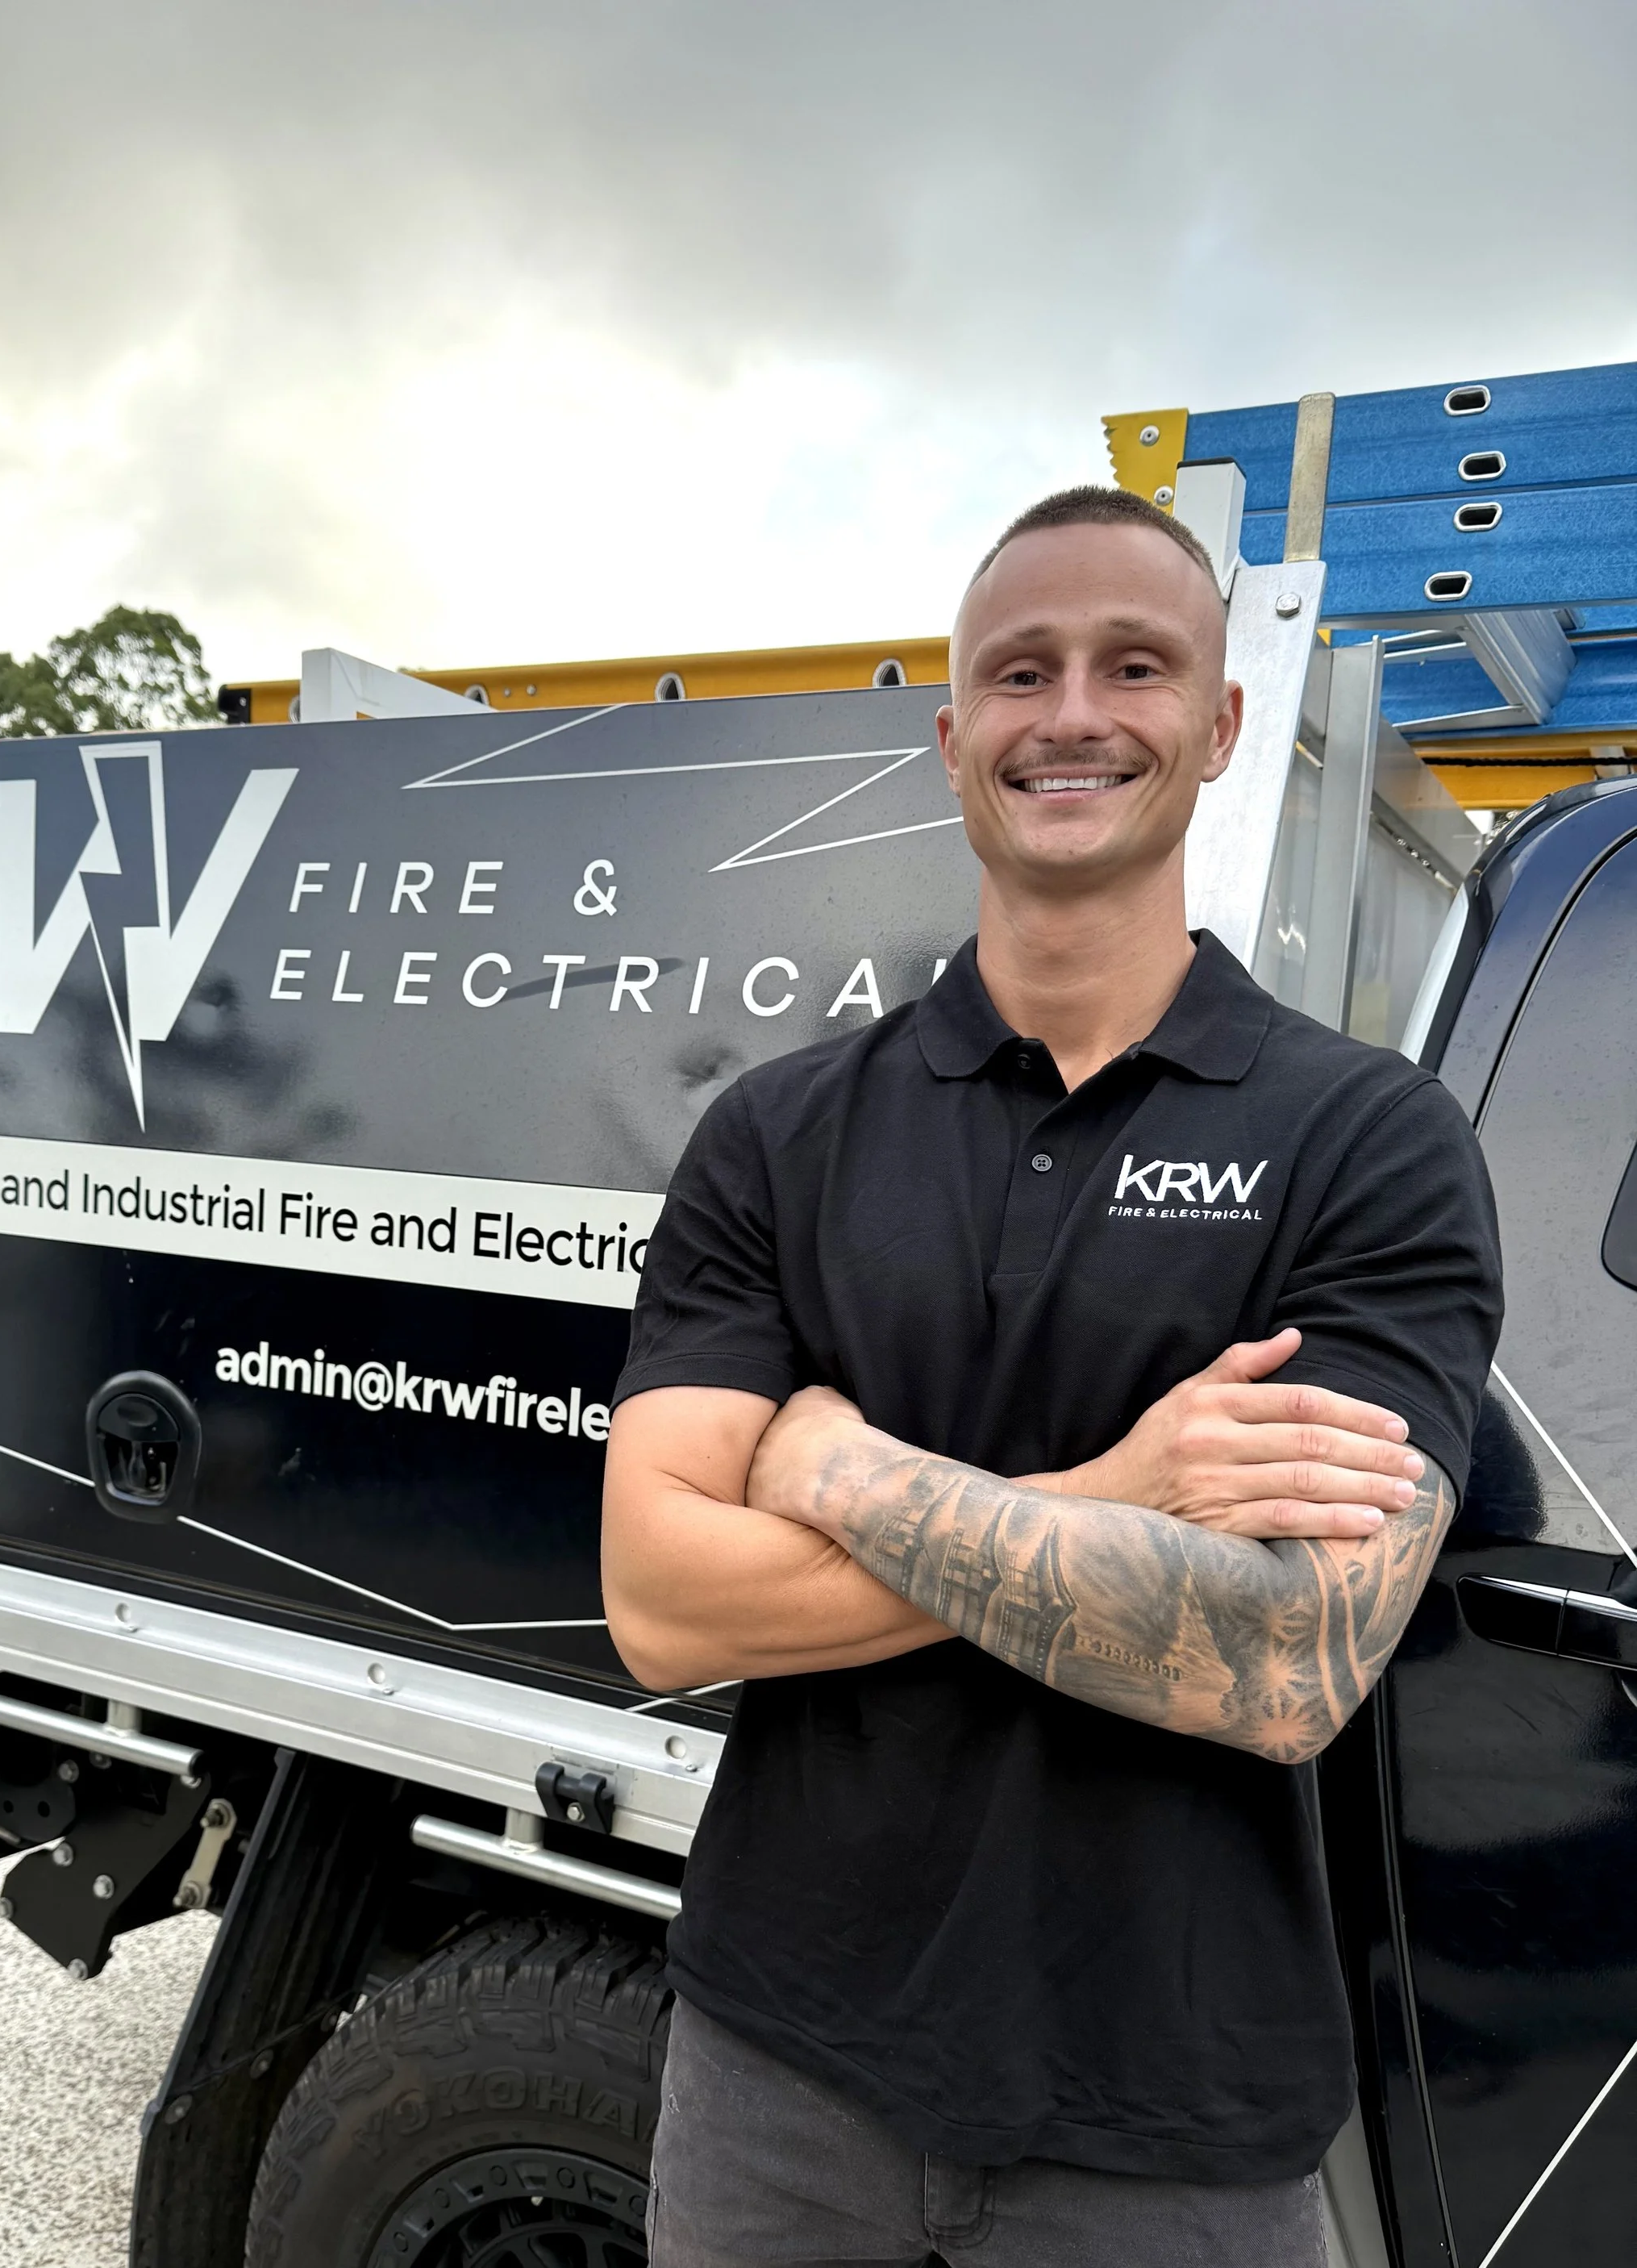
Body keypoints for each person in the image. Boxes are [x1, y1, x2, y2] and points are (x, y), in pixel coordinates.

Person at [602, 486, 1504, 2268]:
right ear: (953, 737)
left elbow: (1277, 1657)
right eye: (1020, 671)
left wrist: (835, 1462)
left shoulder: (1365, 1141)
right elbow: (657, 1601)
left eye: (1133, 664)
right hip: (775, 2064)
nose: (1072, 712)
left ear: (1218, 721)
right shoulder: (781, 1130)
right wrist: (1115, 1494)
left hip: (1172, 2122)